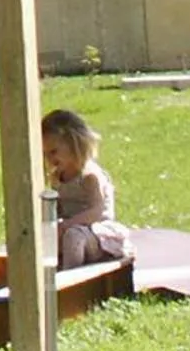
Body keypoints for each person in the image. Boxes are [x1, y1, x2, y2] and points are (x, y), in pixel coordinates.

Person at [40, 108, 130, 269]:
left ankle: (70, 274)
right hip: (70, 228)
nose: (50, 158)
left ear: (73, 145)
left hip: (97, 235)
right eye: (46, 153)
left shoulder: (89, 176)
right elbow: (59, 209)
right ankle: (48, 271)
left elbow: (97, 211)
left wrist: (67, 224)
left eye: (54, 152)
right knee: (46, 234)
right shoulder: (58, 177)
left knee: (73, 236)